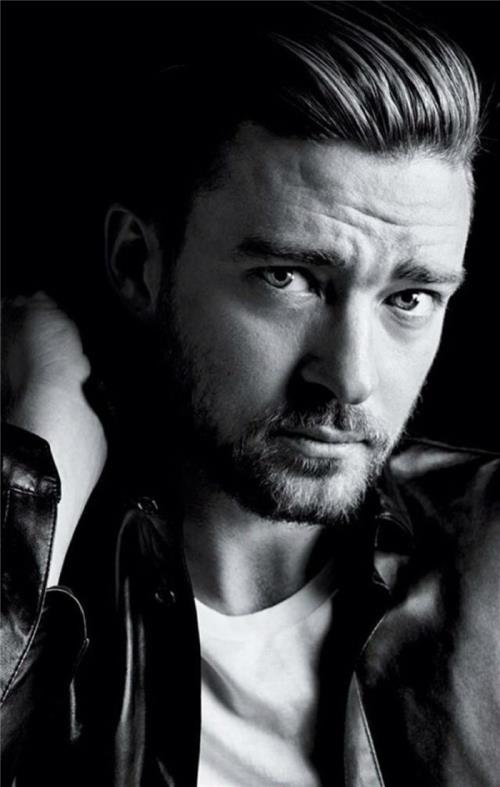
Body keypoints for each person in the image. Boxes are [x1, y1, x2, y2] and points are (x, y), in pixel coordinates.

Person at [2, 3, 499, 785]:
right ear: (136, 264)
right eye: (288, 278)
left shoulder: (492, 551)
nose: (352, 377)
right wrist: (41, 453)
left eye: (409, 299)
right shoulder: (47, 546)